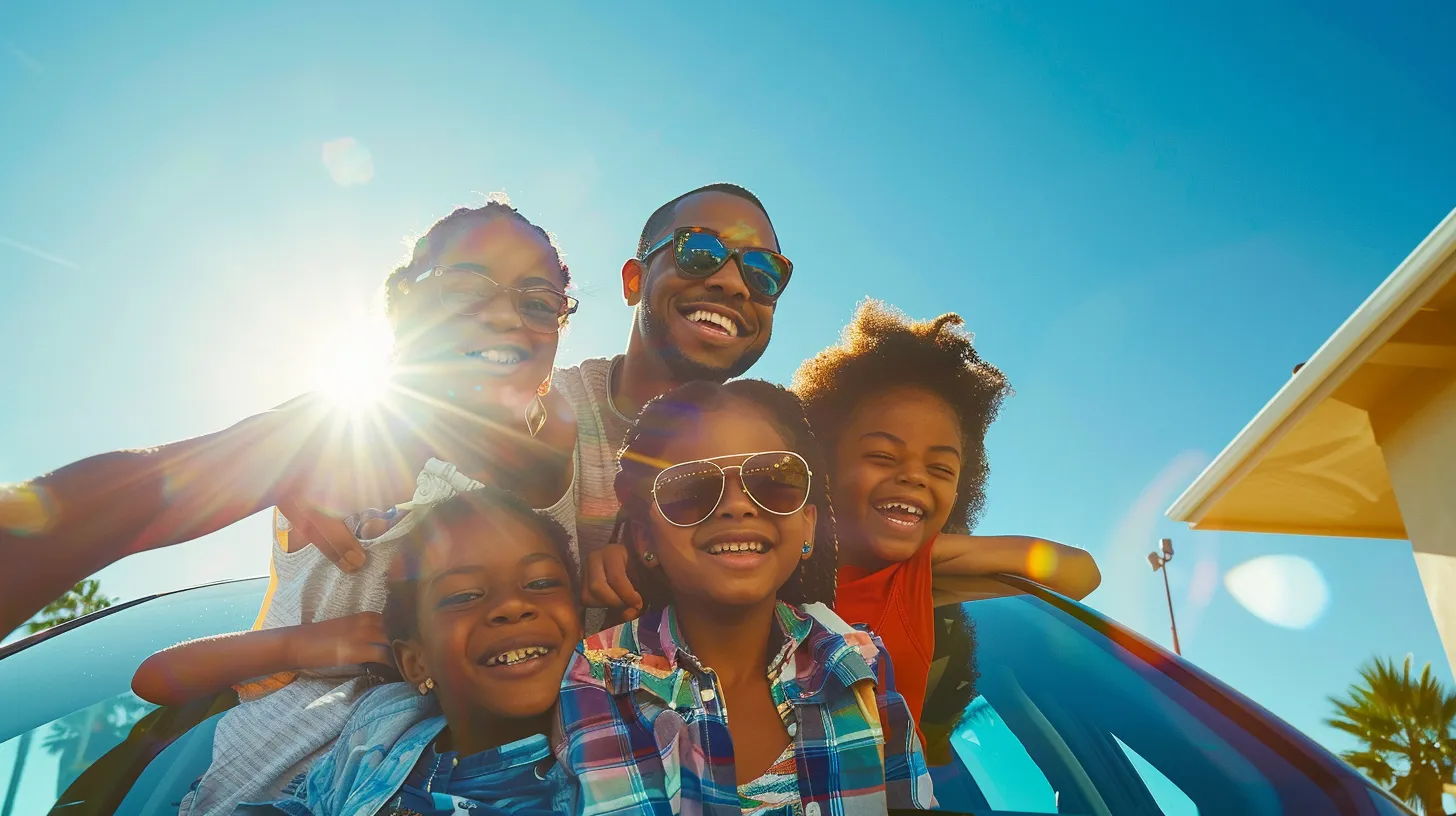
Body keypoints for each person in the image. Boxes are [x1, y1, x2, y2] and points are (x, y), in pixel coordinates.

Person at [126, 197, 579, 815]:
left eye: (537, 301)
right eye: (464, 288)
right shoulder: (332, 441)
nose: (505, 316)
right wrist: (303, 645)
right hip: (260, 771)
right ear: (403, 311)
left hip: (440, 778)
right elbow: (157, 676)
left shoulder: (533, 485)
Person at [555, 380, 935, 815]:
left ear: (808, 526)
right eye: (689, 490)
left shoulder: (859, 657)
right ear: (646, 539)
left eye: (774, 481)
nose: (737, 505)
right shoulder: (600, 676)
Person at [791, 299, 1101, 727]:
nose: (914, 477)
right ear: (824, 459)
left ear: (961, 487)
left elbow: (1079, 573)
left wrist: (933, 554)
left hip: (879, 794)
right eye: (882, 455)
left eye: (940, 468)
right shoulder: (776, 556)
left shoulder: (914, 577)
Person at [232, 487, 582, 816]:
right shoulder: (381, 724)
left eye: (541, 583)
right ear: (416, 662)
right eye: (464, 595)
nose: (512, 604)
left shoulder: (617, 751)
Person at [559, 183, 793, 623]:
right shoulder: (550, 408)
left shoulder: (775, 463)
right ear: (635, 280)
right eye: (699, 249)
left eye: (762, 272)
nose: (733, 284)